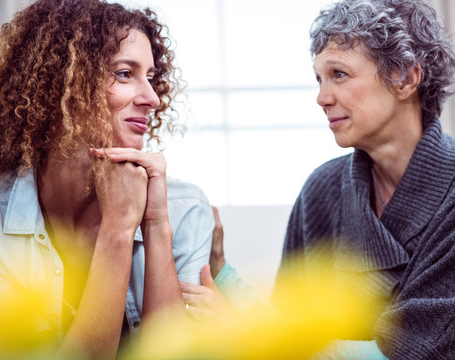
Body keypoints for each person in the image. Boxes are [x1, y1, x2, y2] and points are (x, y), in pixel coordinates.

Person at [0, 0, 214, 359]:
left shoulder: (182, 209)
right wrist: (119, 230)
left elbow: (175, 355)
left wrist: (154, 224)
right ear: (62, 85)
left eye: (151, 77)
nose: (151, 97)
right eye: (125, 73)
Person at [182, 0, 455, 359]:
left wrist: (245, 337)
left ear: (405, 77)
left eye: (339, 74)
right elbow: (289, 325)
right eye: (319, 78)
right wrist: (220, 270)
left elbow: (396, 354)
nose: (322, 98)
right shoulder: (322, 190)